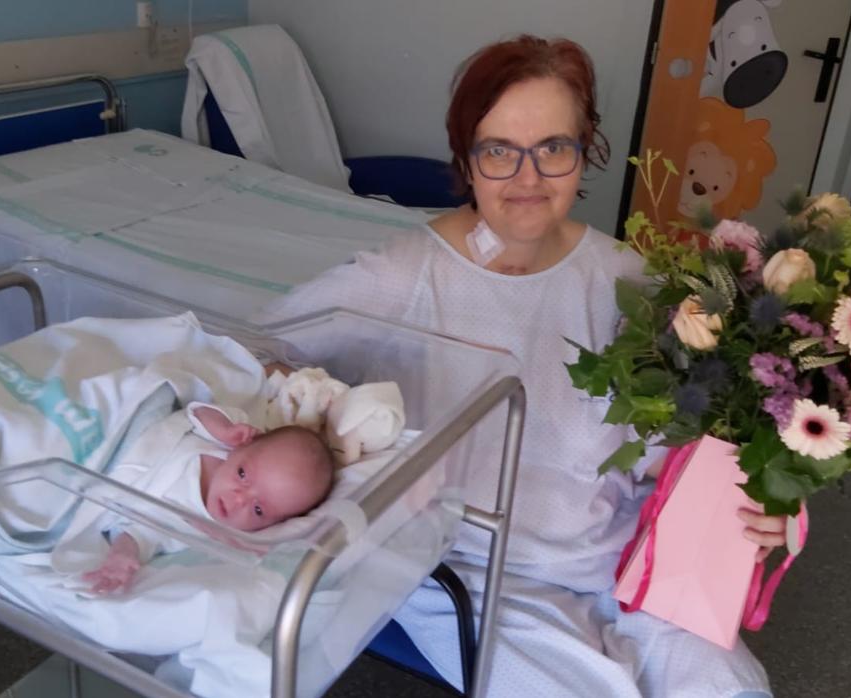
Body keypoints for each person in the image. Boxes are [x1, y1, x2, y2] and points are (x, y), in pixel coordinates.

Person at [254, 35, 786, 696]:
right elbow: (263, 350)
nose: (527, 179)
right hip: (474, 570)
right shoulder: (403, 278)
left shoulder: (629, 279)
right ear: (466, 157)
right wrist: (327, 449)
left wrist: (753, 504)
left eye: (553, 149)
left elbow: (672, 442)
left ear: (583, 149)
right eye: (499, 151)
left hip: (625, 561)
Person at [82, 402, 335, 594]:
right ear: (244, 446)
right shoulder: (226, 440)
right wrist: (224, 429)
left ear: (273, 524)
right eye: (242, 474)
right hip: (124, 430)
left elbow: (138, 532)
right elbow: (196, 412)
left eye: (258, 510)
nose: (238, 499)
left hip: (96, 473)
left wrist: (122, 555)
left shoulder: (196, 526)